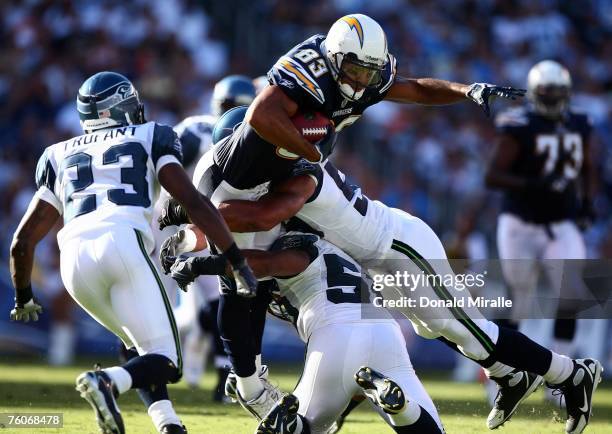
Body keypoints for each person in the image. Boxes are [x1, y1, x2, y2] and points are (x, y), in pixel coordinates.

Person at [160, 11, 524, 424]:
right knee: (444, 330)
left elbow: (416, 89)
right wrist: (311, 153)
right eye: (354, 69)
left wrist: (465, 90)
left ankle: (249, 382)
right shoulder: (302, 86)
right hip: (374, 313)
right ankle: (504, 376)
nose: (363, 80)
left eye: (370, 71)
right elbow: (261, 134)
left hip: (345, 313)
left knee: (252, 290)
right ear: (333, 59)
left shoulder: (299, 187)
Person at [162, 100, 603, 434]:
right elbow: (243, 238)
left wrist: (189, 216)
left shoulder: (301, 175)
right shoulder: (279, 175)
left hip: (398, 250)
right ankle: (509, 374)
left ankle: (569, 373)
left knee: (466, 330)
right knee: (442, 330)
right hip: (372, 270)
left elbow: (255, 221)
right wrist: (196, 236)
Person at [8, 71, 257, 434]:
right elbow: (192, 201)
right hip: (122, 244)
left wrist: (23, 295)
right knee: (168, 361)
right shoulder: (152, 135)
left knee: (139, 346)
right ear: (123, 106)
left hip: (73, 263)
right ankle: (108, 381)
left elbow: (23, 241)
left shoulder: (56, 154)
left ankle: (168, 424)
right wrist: (235, 258)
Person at [168, 232, 445, 434]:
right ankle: (402, 408)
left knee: (300, 429)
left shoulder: (300, 249)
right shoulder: (341, 252)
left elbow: (262, 265)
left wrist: (201, 265)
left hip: (336, 335)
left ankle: (290, 423)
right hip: (385, 333)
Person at [485, 60, 596, 403]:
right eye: (547, 93)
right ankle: (501, 377)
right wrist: (535, 184)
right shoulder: (520, 125)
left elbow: (588, 167)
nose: (552, 99)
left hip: (559, 223)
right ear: (534, 94)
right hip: (520, 223)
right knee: (518, 299)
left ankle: (563, 382)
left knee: (571, 295)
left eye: (558, 93)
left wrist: (587, 204)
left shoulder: (579, 123)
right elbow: (492, 176)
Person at [168, 75, 257, 398]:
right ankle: (140, 356)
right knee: (190, 310)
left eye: (239, 107)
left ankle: (223, 376)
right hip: (183, 226)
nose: (231, 113)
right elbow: (165, 168)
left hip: (223, 226)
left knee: (216, 304)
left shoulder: (256, 138)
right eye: (228, 106)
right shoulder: (198, 130)